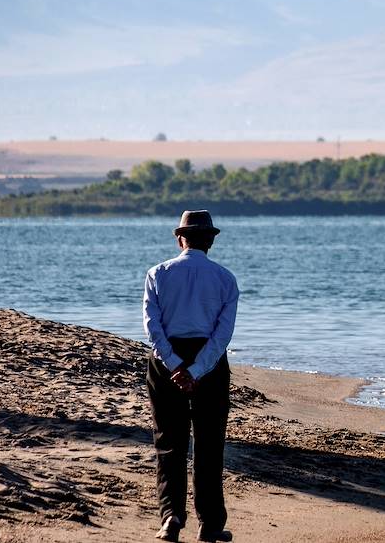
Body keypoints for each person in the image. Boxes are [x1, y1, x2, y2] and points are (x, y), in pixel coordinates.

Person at [143, 210, 239, 542]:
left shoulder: (158, 273)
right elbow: (222, 334)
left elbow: (152, 327)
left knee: (169, 442)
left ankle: (171, 517)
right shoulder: (225, 279)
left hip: (167, 359)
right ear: (210, 241)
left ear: (179, 238)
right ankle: (210, 524)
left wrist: (174, 364)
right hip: (208, 361)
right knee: (209, 444)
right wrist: (196, 369)